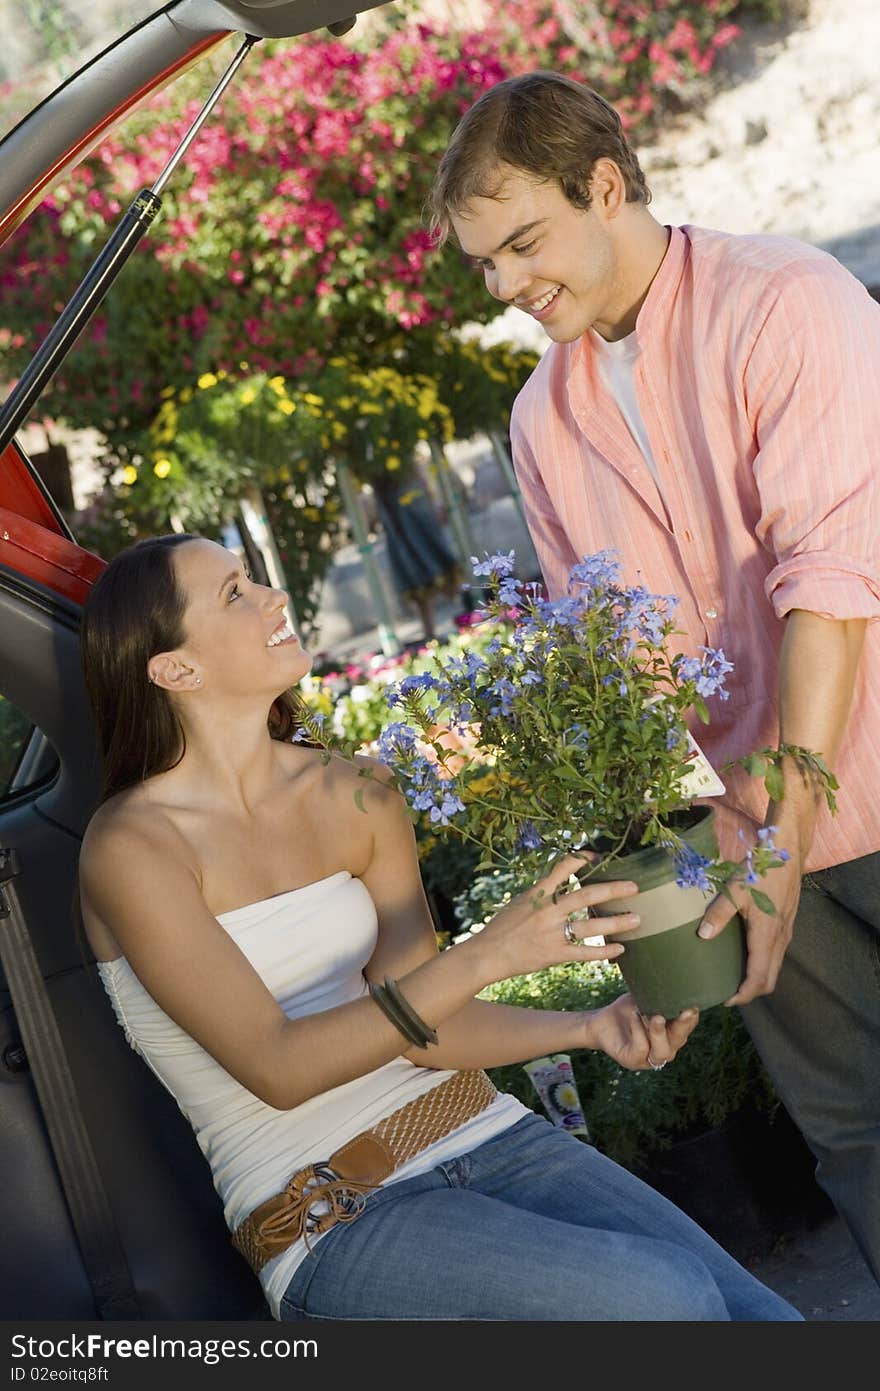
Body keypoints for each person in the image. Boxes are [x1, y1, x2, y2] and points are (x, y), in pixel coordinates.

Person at [77, 533, 801, 1322]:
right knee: (668, 1301)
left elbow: (427, 1032)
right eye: (234, 594)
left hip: (484, 1131)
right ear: (174, 668)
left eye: (254, 579)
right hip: (334, 1214)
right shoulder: (134, 848)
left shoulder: (356, 789)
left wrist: (591, 1025)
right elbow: (276, 1066)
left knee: (763, 1319)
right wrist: (487, 954)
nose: (272, 597)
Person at [429, 70, 880, 1283]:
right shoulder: (539, 422)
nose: (507, 285)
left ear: (608, 185)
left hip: (852, 787)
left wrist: (779, 842)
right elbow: (617, 683)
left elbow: (829, 587)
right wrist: (685, 871)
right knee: (854, 1139)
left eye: (523, 241)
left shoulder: (786, 299)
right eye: (484, 263)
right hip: (735, 844)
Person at [371, 459, 461, 641]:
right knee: (414, 570)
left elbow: (415, 469)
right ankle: (430, 631)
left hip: (414, 504)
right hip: (395, 513)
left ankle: (467, 608)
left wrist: (431, 497)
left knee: (438, 558)